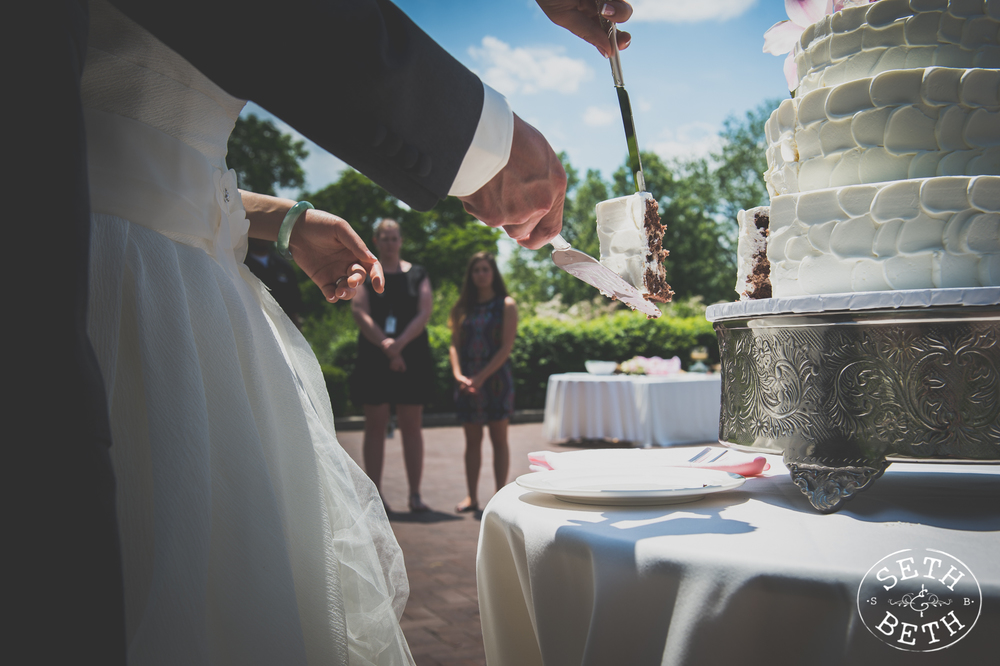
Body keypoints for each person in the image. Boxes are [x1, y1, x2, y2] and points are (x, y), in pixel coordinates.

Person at [18, 0, 633, 661]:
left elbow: (117, 130)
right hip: (107, 289)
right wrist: (480, 141)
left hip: (195, 290)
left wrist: (275, 218)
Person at [350, 219, 434, 513]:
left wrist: (398, 346)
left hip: (413, 354)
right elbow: (359, 310)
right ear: (376, 240)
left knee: (412, 427)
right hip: (374, 355)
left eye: (394, 238)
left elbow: (424, 312)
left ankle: (415, 495)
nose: (389, 243)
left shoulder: (419, 273)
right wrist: (386, 344)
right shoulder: (364, 272)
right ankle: (376, 498)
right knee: (375, 426)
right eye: (384, 238)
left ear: (401, 240)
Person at [449, 253, 518, 514]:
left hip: (496, 380)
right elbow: (454, 345)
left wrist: (481, 377)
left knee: (499, 439)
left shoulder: (506, 305)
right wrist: (459, 375)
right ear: (471, 275)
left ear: (493, 273)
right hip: (467, 382)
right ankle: (471, 497)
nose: (481, 274)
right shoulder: (461, 308)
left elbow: (506, 348)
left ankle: (499, 496)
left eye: (485, 269)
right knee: (472, 441)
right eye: (476, 270)